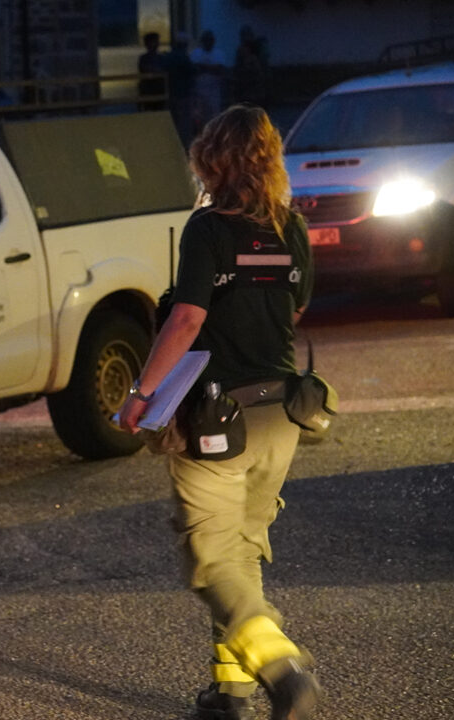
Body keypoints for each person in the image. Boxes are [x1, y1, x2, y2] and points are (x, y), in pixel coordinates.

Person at [116, 105, 322, 720]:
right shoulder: (293, 227)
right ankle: (229, 694)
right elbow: (296, 309)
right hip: (281, 412)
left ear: (213, 159)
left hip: (217, 416)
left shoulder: (208, 228)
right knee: (243, 551)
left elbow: (187, 319)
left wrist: (141, 394)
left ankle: (283, 671)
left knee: (211, 561)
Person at [190, 30, 228, 135]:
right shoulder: (196, 53)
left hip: (214, 91)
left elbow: (221, 70)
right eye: (206, 40)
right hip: (199, 91)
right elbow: (195, 69)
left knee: (214, 115)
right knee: (198, 116)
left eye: (210, 40)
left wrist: (204, 67)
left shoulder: (219, 54)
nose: (208, 42)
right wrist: (212, 68)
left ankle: (213, 136)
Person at [164, 33, 197, 146]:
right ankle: (183, 144)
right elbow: (192, 71)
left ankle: (173, 142)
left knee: (174, 121)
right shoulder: (183, 57)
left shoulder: (169, 56)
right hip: (183, 94)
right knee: (184, 122)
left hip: (171, 94)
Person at [138, 32, 167, 111]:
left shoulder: (161, 57)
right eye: (154, 41)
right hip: (148, 90)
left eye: (157, 41)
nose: (157, 43)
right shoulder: (144, 58)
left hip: (159, 90)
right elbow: (147, 70)